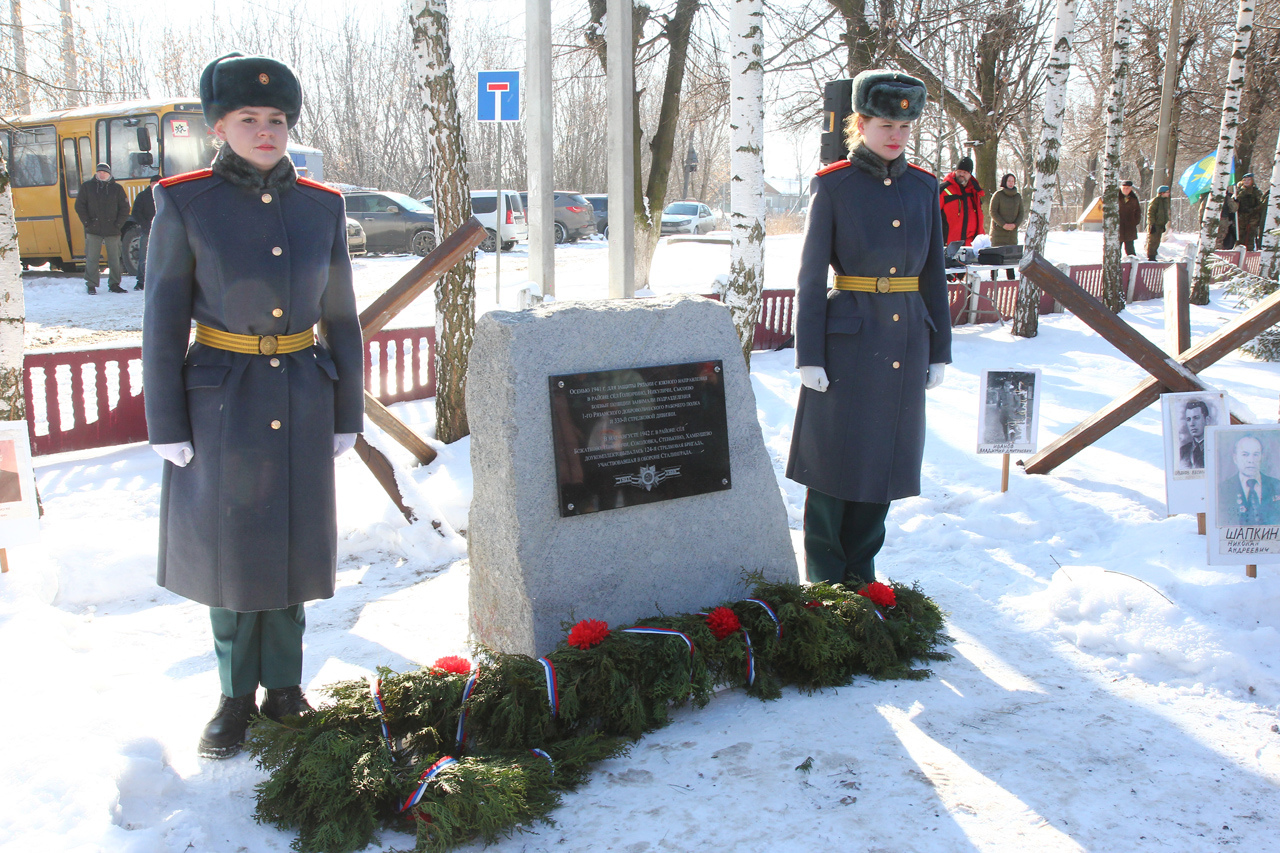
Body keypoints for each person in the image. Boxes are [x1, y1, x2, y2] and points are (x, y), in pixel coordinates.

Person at [143, 52, 364, 759]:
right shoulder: (185, 202)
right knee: (232, 555)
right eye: (249, 118)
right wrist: (166, 421)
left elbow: (343, 317)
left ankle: (287, 689)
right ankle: (236, 696)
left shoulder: (321, 205)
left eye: (277, 119)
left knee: (294, 546)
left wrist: (347, 410)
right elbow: (161, 316)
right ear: (219, 126)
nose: (266, 131)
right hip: (221, 402)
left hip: (303, 390)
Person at [788, 70, 951, 588]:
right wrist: (808, 352)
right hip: (848, 341)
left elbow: (934, 274)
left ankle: (862, 575)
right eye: (886, 123)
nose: (897, 135)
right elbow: (810, 275)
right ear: (861, 124)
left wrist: (939, 349)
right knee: (834, 459)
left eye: (906, 125)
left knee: (884, 457)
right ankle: (825, 580)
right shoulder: (834, 184)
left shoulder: (926, 187)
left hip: (905, 339)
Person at [74, 162, 131, 294]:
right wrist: (88, 223)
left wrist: (117, 224)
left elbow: (125, 209)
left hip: (113, 230)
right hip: (93, 230)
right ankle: (91, 285)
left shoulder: (117, 189)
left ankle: (114, 284)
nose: (102, 174)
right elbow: (79, 206)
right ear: (96, 173)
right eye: (99, 172)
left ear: (109, 174)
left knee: (115, 259)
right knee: (92, 259)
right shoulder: (87, 187)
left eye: (104, 172)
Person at [1217, 435, 1280, 525]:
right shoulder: (1222, 490)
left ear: (1262, 457)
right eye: (1245, 455)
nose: (1251, 460)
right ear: (1235, 458)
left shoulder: (1276, 485)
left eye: (1256, 454)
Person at [940, 155, 984, 246]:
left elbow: (979, 217)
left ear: (970, 174)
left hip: (970, 245)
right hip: (948, 244)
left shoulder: (975, 192)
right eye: (959, 171)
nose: (961, 174)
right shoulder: (943, 190)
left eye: (965, 172)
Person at [987, 173, 1024, 279]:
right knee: (996, 260)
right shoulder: (998, 195)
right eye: (1009, 181)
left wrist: (1015, 225)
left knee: (1010, 260)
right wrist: (1003, 224)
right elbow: (993, 212)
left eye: (1013, 181)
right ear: (1004, 182)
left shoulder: (1018, 197)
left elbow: (1021, 213)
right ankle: (993, 282)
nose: (1011, 183)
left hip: (1011, 233)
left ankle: (1011, 282)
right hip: (998, 233)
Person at [130, 175, 160, 290]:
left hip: (162, 232)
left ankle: (158, 281)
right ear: (150, 184)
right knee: (144, 257)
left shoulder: (165, 196)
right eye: (154, 183)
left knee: (162, 257)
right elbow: (136, 213)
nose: (155, 185)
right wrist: (146, 226)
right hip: (147, 232)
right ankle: (141, 281)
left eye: (158, 183)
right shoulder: (142, 196)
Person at [1178, 398, 1209, 470]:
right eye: (1188, 419)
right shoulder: (1183, 451)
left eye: (1196, 418)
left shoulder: (1216, 448)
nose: (1192, 424)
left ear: (1207, 420)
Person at [1235, 173, 1263, 250]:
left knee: (1250, 235)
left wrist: (1253, 210)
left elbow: (1261, 204)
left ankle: (1249, 251)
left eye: (1249, 180)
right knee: (1239, 236)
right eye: (1245, 180)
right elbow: (1234, 203)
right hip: (1241, 217)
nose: (1247, 182)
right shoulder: (1239, 191)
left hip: (1252, 217)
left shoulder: (1256, 192)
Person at [1145, 185, 1170, 261]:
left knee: (1157, 241)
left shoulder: (1164, 201)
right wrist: (1152, 224)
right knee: (1152, 241)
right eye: (1167, 192)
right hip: (1154, 224)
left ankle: (1154, 255)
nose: (1168, 194)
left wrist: (1164, 223)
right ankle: (1151, 256)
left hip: (1160, 225)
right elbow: (1150, 213)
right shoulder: (1155, 201)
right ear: (1162, 193)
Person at [1118, 180, 1142, 258]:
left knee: (1130, 248)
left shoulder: (1133, 198)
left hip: (1129, 227)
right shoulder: (1116, 197)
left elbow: (1138, 211)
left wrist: (1135, 222)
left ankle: (1132, 264)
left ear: (1131, 189)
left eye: (1128, 188)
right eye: (1124, 188)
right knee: (1117, 248)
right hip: (1118, 227)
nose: (1126, 190)